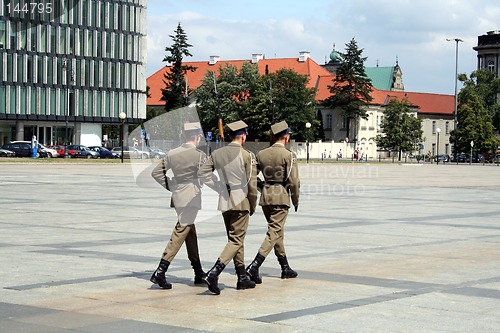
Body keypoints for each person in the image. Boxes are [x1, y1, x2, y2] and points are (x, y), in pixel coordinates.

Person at [197, 120, 258, 295]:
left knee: (234, 239)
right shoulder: (247, 155)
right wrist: (252, 204)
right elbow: (252, 185)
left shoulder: (217, 153)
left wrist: (218, 186)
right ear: (243, 136)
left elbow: (202, 173)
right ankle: (215, 272)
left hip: (224, 200)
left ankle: (241, 276)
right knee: (236, 239)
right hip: (240, 200)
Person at [149, 122, 207, 289]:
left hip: (179, 195)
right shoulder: (199, 155)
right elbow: (206, 175)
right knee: (181, 231)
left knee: (190, 233)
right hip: (191, 197)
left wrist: (171, 185)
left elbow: (156, 173)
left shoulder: (172, 153)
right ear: (196, 136)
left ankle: (198, 271)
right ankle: (160, 271)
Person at [246, 121, 300, 284]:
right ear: (286, 136)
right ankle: (254, 266)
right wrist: (296, 199)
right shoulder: (288, 155)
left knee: (277, 233)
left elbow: (251, 176)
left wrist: (263, 186)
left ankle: (285, 267)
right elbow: (294, 181)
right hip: (281, 196)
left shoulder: (261, 154)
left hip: (266, 197)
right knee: (274, 232)